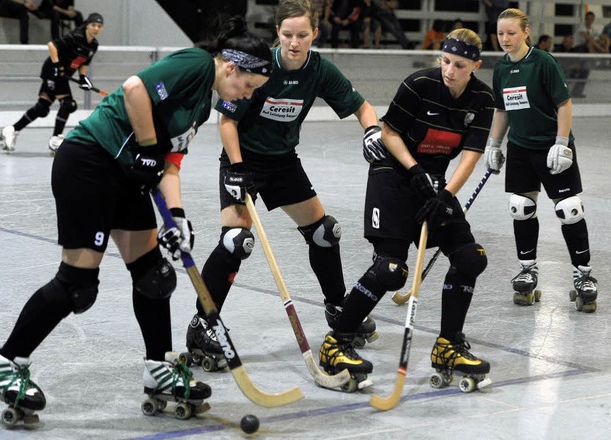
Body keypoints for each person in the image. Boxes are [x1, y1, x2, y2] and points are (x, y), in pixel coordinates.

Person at [0, 16, 272, 420]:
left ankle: (159, 369)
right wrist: (148, 146)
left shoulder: (204, 102)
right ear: (232, 67)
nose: (246, 95)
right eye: (248, 86)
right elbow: (135, 90)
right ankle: (4, 365)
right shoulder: (198, 65)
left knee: (154, 276)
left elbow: (170, 163)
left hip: (128, 175)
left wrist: (178, 218)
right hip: (90, 162)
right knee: (78, 283)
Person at [186, 0, 381, 375]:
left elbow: (363, 106)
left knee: (325, 233)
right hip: (242, 158)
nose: (294, 42)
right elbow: (226, 123)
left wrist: (371, 130)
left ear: (315, 35)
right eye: (287, 34)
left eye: (302, 35)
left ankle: (338, 307)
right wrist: (239, 169)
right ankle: (203, 324)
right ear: (277, 33)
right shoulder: (261, 66)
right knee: (235, 243)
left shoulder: (319, 70)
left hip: (283, 161)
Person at [327, 28, 495, 387]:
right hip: (393, 173)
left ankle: (448, 345)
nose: (449, 70)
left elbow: (472, 153)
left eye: (460, 65)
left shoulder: (482, 97)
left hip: (435, 183)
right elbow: (389, 132)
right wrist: (414, 170)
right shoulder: (418, 84)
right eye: (446, 61)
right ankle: (336, 342)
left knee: (470, 258)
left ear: (475, 66)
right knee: (391, 270)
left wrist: (446, 196)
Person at [486, 8, 598, 312]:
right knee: (521, 208)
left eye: (511, 33)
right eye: (500, 34)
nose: (505, 39)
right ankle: (527, 269)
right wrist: (494, 144)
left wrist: (562, 143)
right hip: (520, 148)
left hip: (551, 147)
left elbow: (564, 103)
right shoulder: (500, 69)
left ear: (525, 33)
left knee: (569, 209)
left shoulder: (544, 62)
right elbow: (501, 109)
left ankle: (583, 274)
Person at [0, 13, 103, 154]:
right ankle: (55, 138)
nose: (96, 28)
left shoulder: (94, 45)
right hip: (53, 70)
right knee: (68, 104)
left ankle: (11, 130)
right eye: (93, 25)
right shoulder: (76, 36)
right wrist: (59, 66)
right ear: (87, 25)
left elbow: (84, 62)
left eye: (99, 26)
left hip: (63, 75)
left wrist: (83, 78)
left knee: (42, 108)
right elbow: (52, 46)